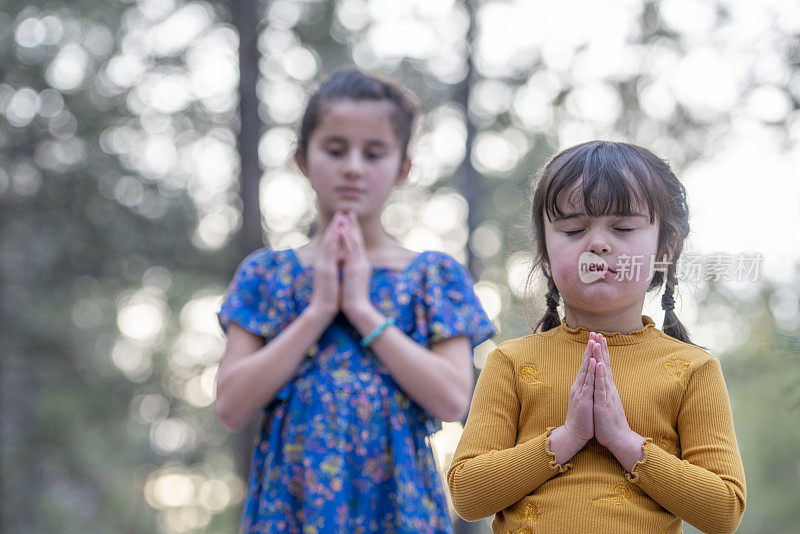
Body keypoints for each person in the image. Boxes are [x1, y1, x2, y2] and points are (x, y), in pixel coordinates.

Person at [215, 69, 494, 533]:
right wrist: (319, 309)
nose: (353, 167)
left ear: (402, 169)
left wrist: (363, 311)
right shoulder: (266, 275)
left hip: (399, 506)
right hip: (291, 508)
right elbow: (230, 406)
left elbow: (452, 398)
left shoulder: (434, 276)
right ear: (303, 159)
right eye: (335, 149)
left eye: (374, 153)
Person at [447, 141, 745, 533]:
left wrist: (623, 441)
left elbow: (724, 511)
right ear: (545, 256)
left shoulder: (694, 370)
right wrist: (567, 438)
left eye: (623, 227)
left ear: (664, 249)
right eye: (573, 229)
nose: (598, 243)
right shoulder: (511, 362)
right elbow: (468, 494)